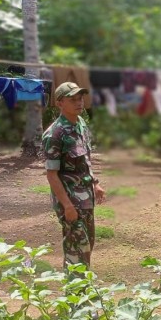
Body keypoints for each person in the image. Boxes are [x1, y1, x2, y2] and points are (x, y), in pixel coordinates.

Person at [42, 81, 105, 268]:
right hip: (70, 202)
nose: (79, 103)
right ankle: (74, 295)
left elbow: (85, 159)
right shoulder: (55, 134)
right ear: (60, 103)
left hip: (86, 199)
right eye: (73, 100)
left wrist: (95, 183)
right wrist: (67, 206)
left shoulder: (81, 124)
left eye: (81, 98)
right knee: (75, 251)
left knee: (87, 247)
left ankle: (83, 291)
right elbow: (51, 175)